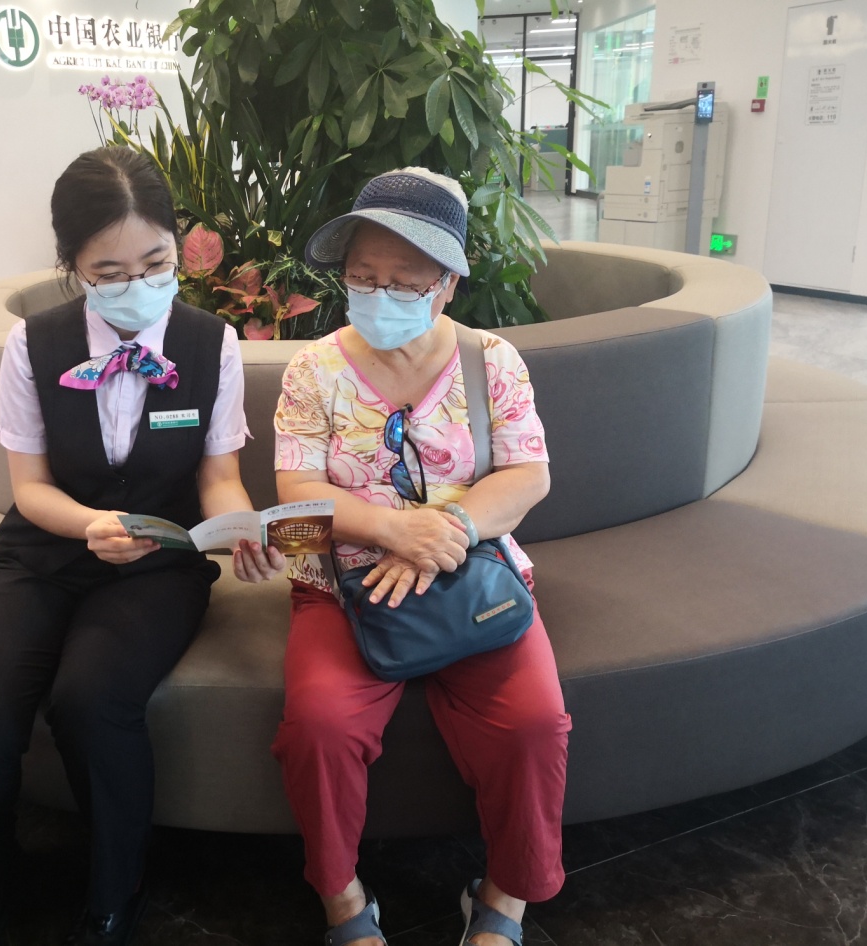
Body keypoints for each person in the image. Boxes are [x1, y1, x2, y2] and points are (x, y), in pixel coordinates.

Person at [0, 146, 286, 946]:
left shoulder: (209, 344)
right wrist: (89, 524)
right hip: (42, 548)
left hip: (156, 562)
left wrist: (240, 529)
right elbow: (29, 487)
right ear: (72, 266)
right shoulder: (33, 345)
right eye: (110, 272)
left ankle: (113, 891)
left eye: (155, 263)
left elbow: (217, 478)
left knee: (91, 702)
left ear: (177, 248)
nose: (138, 285)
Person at [271, 168, 572, 946]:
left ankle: (503, 899)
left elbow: (528, 475)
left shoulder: (489, 360)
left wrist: (444, 533)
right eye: (362, 276)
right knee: (317, 726)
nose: (379, 294)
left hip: (471, 575)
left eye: (404, 281)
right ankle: (343, 901)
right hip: (341, 582)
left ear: (446, 285)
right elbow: (295, 495)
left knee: (534, 724)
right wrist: (386, 531)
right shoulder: (313, 370)